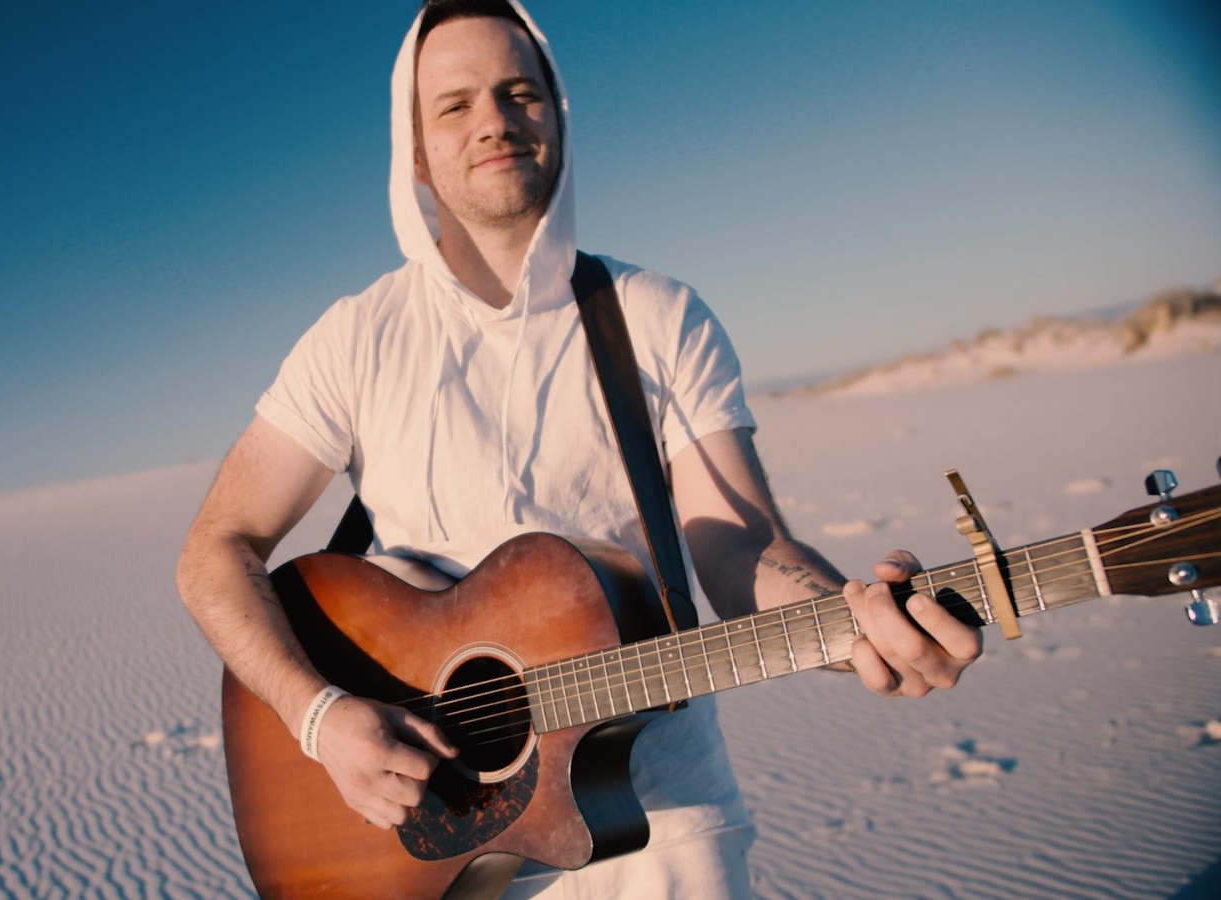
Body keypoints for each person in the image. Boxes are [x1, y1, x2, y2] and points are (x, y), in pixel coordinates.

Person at [176, 1, 982, 896]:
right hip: (423, 843)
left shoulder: (656, 316)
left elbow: (740, 546)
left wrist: (850, 621)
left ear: (557, 117)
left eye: (519, 93)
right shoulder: (356, 339)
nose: (494, 120)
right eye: (455, 104)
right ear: (415, 152)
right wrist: (319, 717)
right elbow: (215, 550)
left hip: (662, 830)